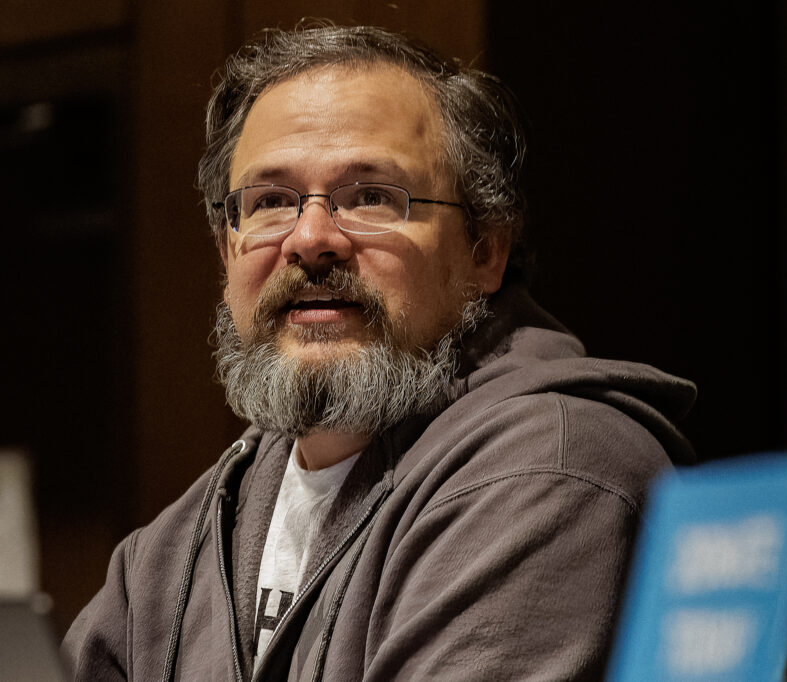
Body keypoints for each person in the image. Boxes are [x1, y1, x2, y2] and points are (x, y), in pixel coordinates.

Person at [62, 23, 696, 681]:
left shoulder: (550, 470)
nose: (310, 239)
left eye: (370, 197)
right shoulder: (184, 541)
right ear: (227, 252)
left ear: (484, 251)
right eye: (271, 201)